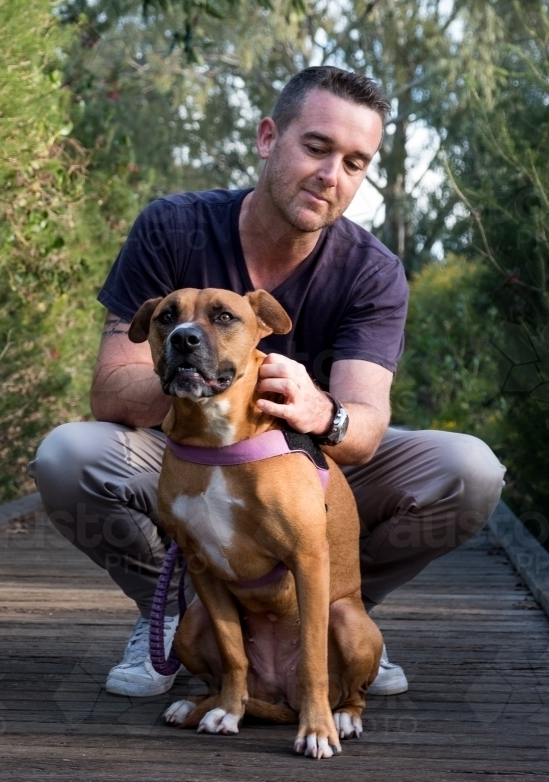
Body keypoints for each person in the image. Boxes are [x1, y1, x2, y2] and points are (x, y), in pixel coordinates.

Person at [29, 66, 504, 699]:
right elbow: (114, 388)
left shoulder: (373, 271)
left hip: (311, 466)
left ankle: (335, 614)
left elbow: (361, 428)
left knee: (469, 468)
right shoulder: (172, 228)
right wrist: (201, 380)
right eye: (316, 147)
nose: (332, 175)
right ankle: (172, 614)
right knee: (68, 454)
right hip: (187, 448)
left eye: (355, 163)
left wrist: (317, 408)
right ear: (266, 138)